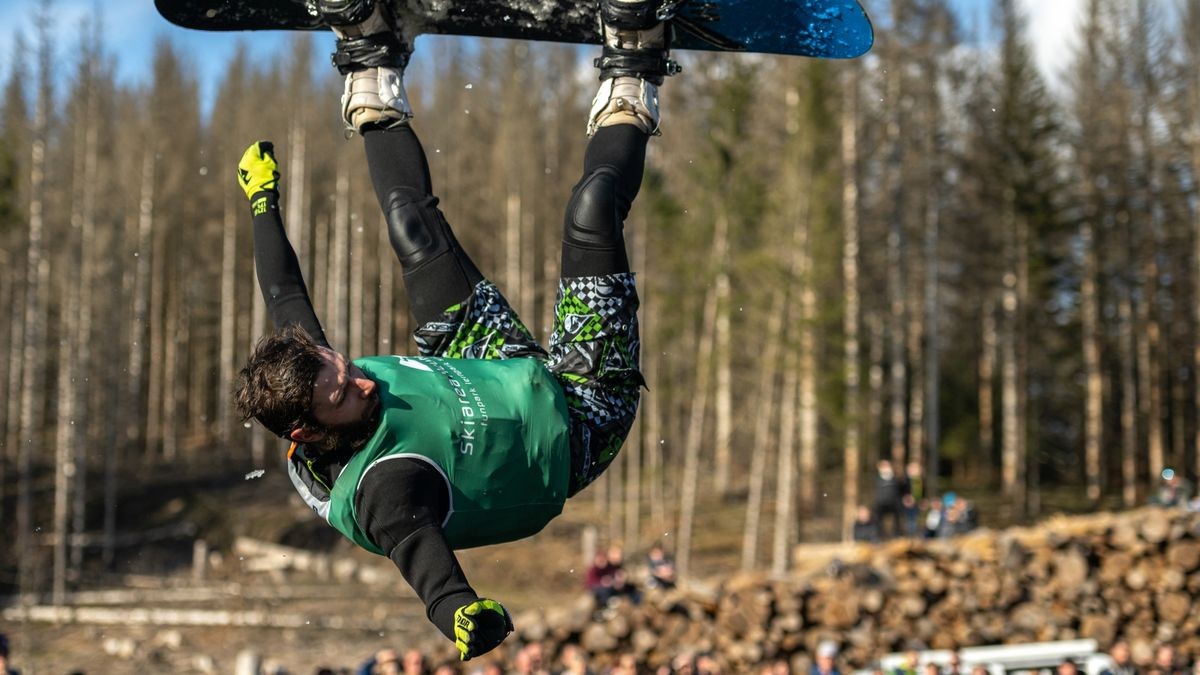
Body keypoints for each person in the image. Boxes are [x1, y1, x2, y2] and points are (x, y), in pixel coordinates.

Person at [233, 0, 676, 662]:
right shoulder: (383, 488)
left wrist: (262, 204)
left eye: (343, 363)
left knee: (411, 225)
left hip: (478, 365)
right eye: (346, 394)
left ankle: (370, 60)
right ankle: (636, 63)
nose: (360, 377)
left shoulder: (308, 377)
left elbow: (284, 292)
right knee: (589, 215)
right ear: (308, 430)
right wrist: (464, 614)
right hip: (576, 422)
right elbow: (427, 570)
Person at [873, 460, 908, 540]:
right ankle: (879, 536)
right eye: (883, 466)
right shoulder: (877, 479)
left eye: (886, 466)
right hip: (881, 503)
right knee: (878, 518)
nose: (885, 469)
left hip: (894, 503)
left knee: (898, 517)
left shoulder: (896, 478)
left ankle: (897, 535)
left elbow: (903, 489)